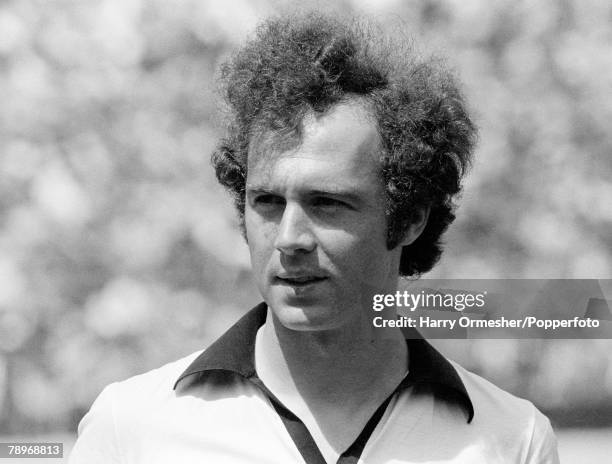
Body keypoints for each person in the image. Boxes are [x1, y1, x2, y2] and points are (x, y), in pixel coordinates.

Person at [70, 12, 559, 464]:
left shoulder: (512, 440)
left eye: (326, 203)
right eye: (267, 202)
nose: (289, 238)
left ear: (410, 218)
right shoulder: (132, 429)